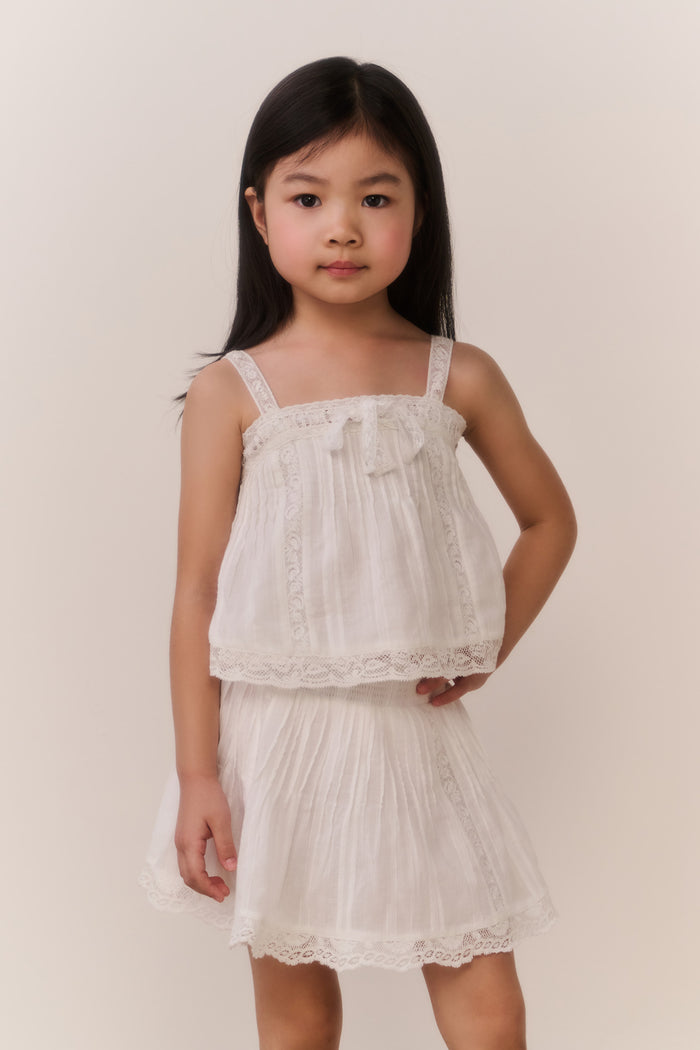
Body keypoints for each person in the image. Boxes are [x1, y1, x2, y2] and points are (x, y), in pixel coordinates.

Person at [139, 56, 577, 1050]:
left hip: (415, 740)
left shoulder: (455, 375)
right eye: (309, 196)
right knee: (297, 1010)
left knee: (483, 994)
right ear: (260, 214)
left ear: (416, 213)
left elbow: (550, 521)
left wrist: (484, 645)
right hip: (276, 743)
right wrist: (197, 774)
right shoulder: (231, 393)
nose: (341, 226)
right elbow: (195, 592)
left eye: (374, 197)